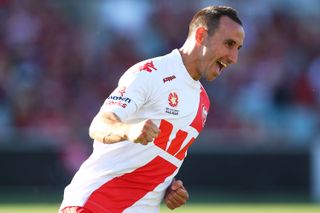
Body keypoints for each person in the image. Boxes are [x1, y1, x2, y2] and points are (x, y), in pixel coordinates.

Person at [59, 5, 244, 213]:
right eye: (229, 44)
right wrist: (129, 130)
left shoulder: (203, 102)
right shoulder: (151, 73)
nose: (233, 57)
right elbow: (99, 125)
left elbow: (153, 157)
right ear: (201, 35)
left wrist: (168, 187)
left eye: (238, 48)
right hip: (97, 204)